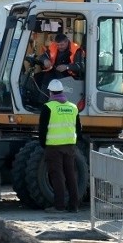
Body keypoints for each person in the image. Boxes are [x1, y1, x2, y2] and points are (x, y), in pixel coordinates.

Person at [38, 79, 82, 213]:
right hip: (69, 147)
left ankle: (59, 206)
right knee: (70, 175)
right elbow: (78, 129)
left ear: (50, 92)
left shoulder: (48, 107)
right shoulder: (73, 107)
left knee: (57, 176)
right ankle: (74, 206)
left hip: (53, 147)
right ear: (62, 91)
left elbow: (42, 129)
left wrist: (43, 145)